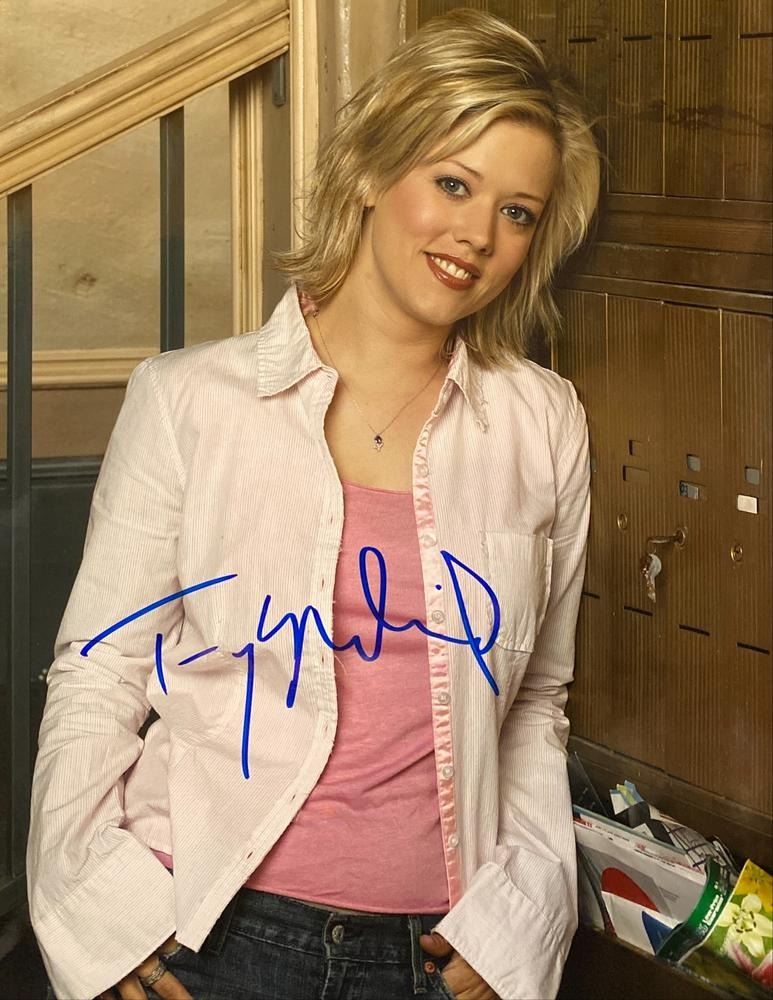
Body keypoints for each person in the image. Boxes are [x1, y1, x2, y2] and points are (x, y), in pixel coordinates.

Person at [28, 7, 600, 1000]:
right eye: (452, 183)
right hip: (206, 930)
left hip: (436, 952)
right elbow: (99, 669)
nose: (476, 234)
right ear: (372, 171)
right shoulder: (189, 401)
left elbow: (534, 705)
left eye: (516, 212)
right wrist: (99, 911)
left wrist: (518, 918)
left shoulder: (541, 423)